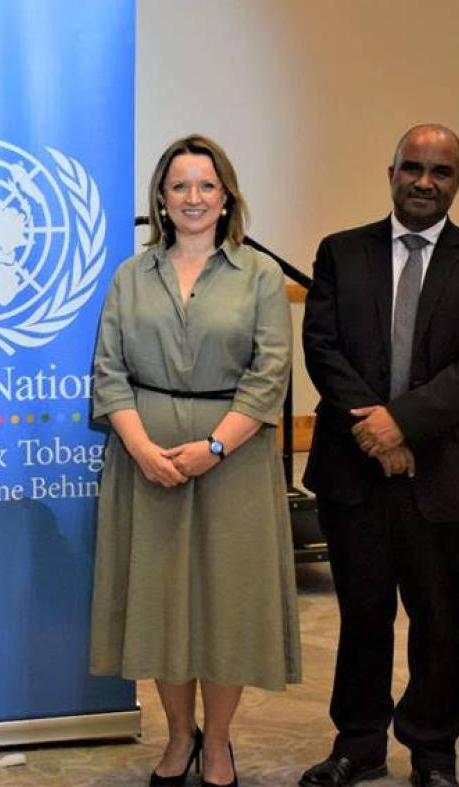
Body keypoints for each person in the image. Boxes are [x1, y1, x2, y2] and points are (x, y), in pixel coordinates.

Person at [299, 124, 459, 787]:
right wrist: (375, 429)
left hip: (448, 473)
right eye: (413, 167)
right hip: (353, 470)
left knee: (438, 616)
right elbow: (322, 347)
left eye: (441, 171)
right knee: (362, 613)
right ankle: (359, 743)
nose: (425, 181)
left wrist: (403, 425)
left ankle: (433, 751)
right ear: (390, 170)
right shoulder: (341, 252)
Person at [90, 134, 301, 787]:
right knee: (160, 604)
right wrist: (140, 446)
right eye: (180, 185)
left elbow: (270, 375)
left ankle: (220, 744)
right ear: (161, 196)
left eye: (206, 185)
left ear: (226, 194)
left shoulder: (259, 275)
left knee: (226, 605)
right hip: (145, 463)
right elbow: (109, 372)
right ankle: (181, 736)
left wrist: (213, 447)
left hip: (232, 463)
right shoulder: (132, 275)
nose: (193, 197)